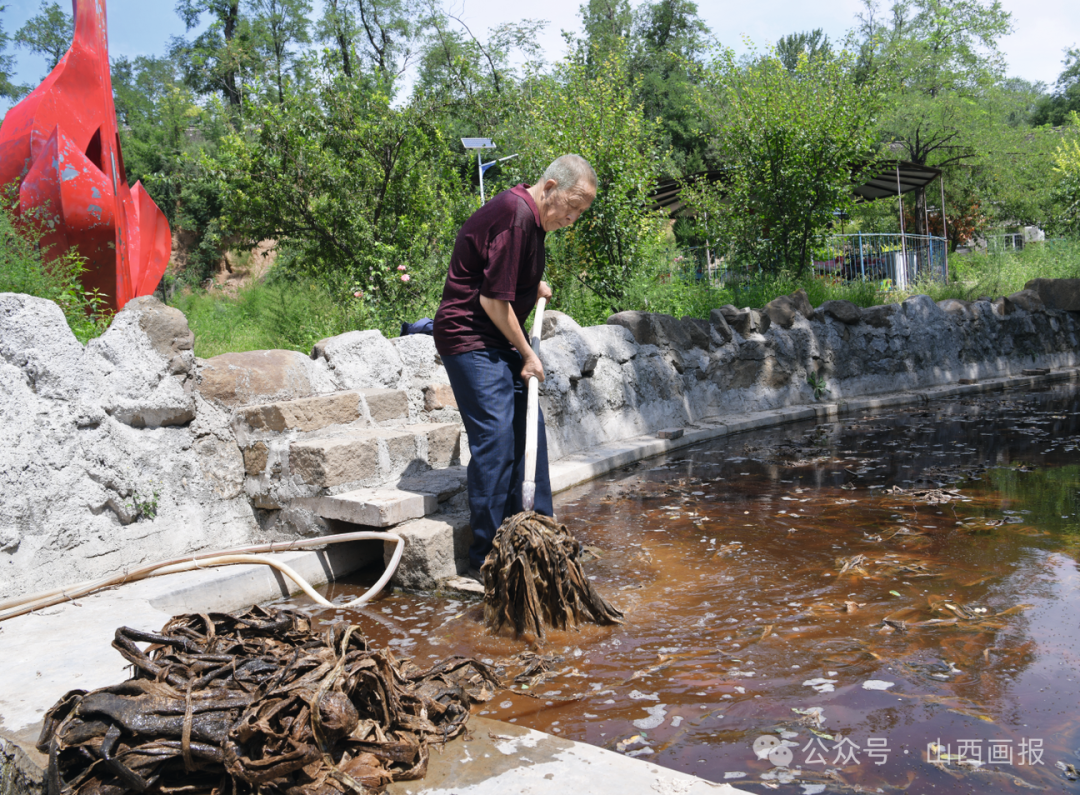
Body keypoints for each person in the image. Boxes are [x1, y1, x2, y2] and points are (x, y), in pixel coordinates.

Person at [433, 154, 597, 580]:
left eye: (581, 211)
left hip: (490, 336)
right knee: (498, 438)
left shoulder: (531, 220)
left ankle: (539, 535)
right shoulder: (517, 215)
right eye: (573, 206)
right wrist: (528, 354)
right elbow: (491, 300)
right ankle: (488, 557)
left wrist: (532, 285)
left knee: (529, 428)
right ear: (549, 188)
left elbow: (502, 274)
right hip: (469, 337)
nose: (573, 219)